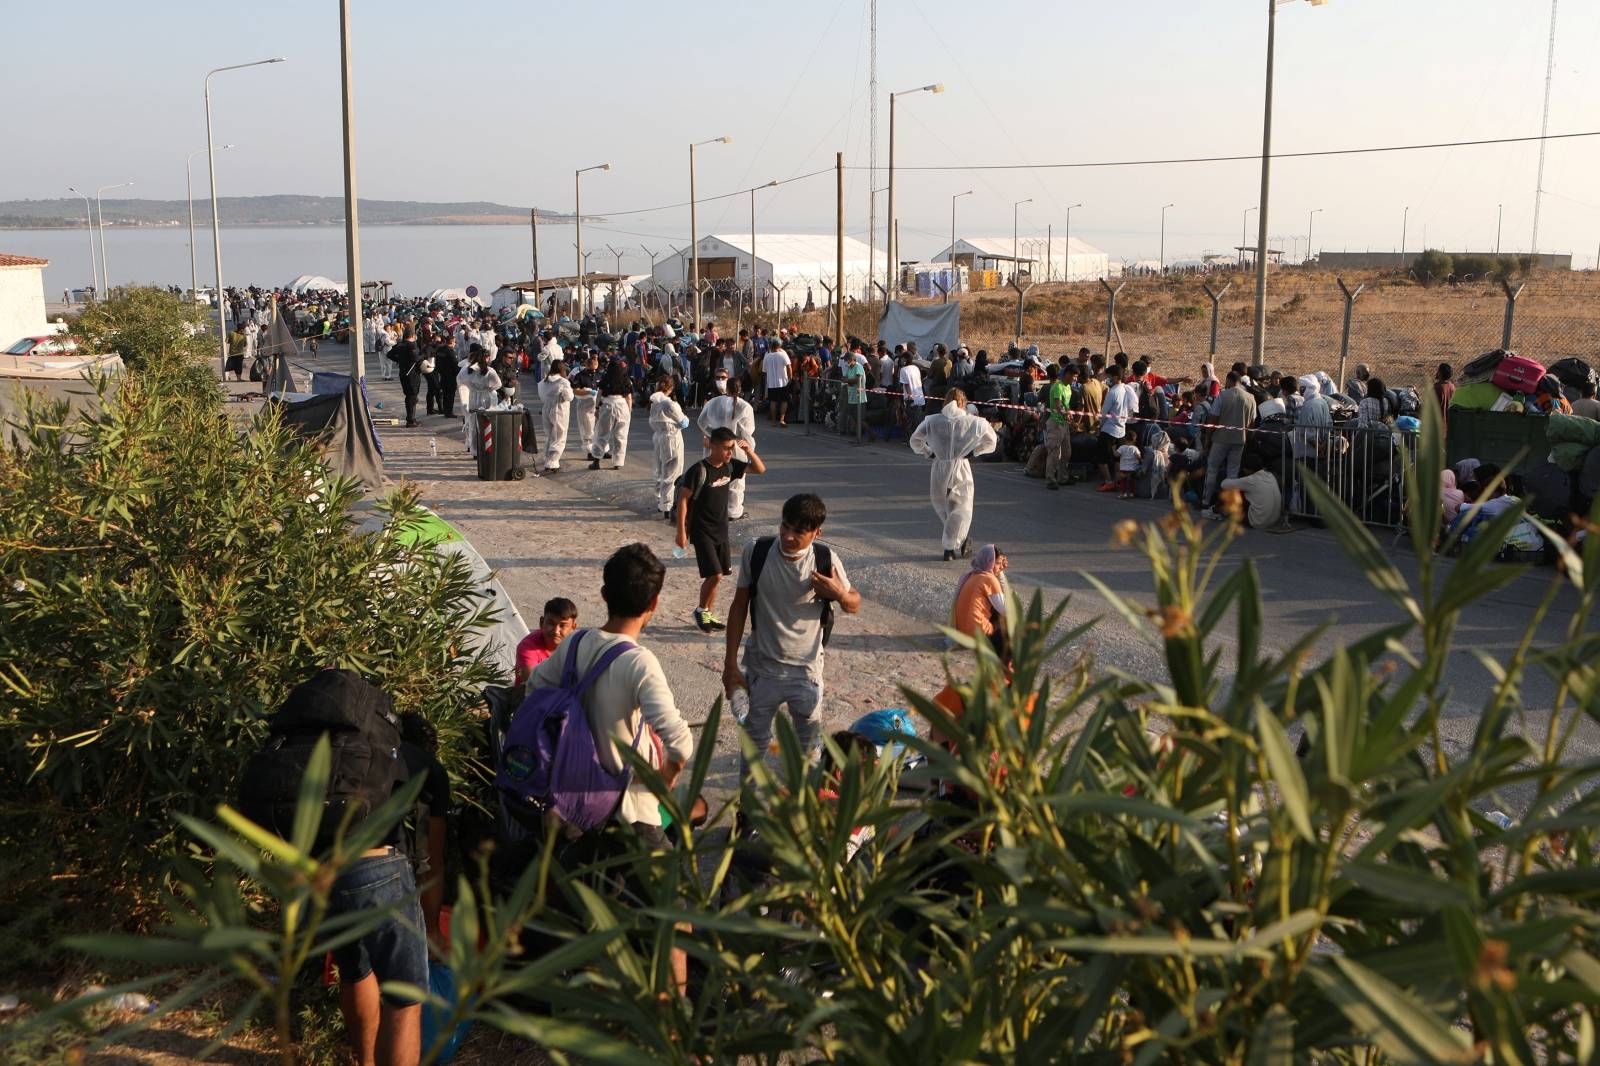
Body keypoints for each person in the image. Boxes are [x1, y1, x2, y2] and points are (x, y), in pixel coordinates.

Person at [524, 544, 695, 995]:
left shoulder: (577, 643)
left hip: (571, 805)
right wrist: (664, 780)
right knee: (676, 915)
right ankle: (673, 1024)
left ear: (603, 594)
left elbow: (536, 688)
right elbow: (680, 741)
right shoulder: (638, 662)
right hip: (626, 812)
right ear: (655, 604)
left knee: (588, 908)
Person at [722, 493, 860, 782]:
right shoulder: (757, 552)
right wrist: (730, 664)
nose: (788, 536)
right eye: (785, 527)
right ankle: (748, 813)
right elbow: (739, 607)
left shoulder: (825, 560)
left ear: (816, 533)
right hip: (762, 670)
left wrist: (838, 593)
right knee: (754, 747)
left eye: (798, 531)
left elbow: (853, 603)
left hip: (806, 675)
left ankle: (802, 812)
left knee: (808, 752)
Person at [675, 428, 767, 633]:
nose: (729, 453)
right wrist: (681, 532)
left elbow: (760, 469)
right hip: (702, 531)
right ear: (713, 446)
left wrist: (749, 451)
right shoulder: (698, 470)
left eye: (731, 449)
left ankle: (706, 611)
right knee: (714, 574)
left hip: (721, 531)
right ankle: (700, 610)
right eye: (726, 448)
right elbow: (683, 499)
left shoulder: (730, 467)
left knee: (718, 574)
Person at [909, 388, 999, 561]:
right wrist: (974, 452)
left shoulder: (932, 421)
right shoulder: (975, 422)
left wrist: (929, 452)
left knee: (943, 507)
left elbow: (915, 440)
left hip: (940, 467)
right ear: (963, 402)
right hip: (961, 467)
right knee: (961, 509)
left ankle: (952, 544)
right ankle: (953, 545)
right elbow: (992, 440)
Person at [697, 375, 758, 521]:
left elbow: (701, 422)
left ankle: (712, 508)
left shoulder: (713, 402)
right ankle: (734, 511)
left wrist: (711, 436)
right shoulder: (745, 407)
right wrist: (749, 450)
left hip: (716, 446)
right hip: (735, 447)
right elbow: (747, 433)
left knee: (713, 477)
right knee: (736, 481)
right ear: (740, 389)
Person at [1201, 372, 1258, 517]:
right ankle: (1227, 505)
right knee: (1232, 473)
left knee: (1212, 468)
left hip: (1221, 438)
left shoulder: (1223, 395)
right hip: (1239, 440)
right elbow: (1252, 423)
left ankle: (1206, 501)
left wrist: (1208, 438)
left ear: (1229, 380)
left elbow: (1214, 418)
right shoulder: (1250, 398)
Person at [949, 544, 1009, 660]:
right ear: (989, 562)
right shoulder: (989, 579)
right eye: (997, 563)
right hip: (976, 636)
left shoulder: (971, 576)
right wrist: (1001, 574)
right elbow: (1006, 610)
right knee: (1001, 613)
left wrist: (999, 570)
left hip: (961, 634)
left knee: (991, 603)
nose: (999, 567)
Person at [649, 373, 690, 519]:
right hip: (672, 438)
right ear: (671, 388)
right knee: (672, 471)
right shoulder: (669, 404)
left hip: (659, 437)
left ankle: (661, 500)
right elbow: (683, 422)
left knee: (660, 469)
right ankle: (667, 504)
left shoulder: (654, 401)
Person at [514, 597, 579, 685]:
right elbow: (533, 683)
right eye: (551, 623)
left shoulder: (579, 645)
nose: (556, 631)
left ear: (573, 628)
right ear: (542, 622)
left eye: (563, 625)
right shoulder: (527, 647)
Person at [1095, 366, 1136, 491]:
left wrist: (1099, 426)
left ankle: (1108, 481)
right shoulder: (1126, 389)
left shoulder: (1112, 392)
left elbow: (1104, 413)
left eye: (1110, 376)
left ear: (1116, 377)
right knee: (1117, 458)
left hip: (1109, 429)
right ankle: (1118, 481)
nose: (1108, 379)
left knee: (1101, 458)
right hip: (1121, 429)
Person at [589, 356, 633, 470]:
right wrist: (629, 411)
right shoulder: (625, 378)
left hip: (608, 405)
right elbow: (629, 397)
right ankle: (618, 462)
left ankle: (596, 461)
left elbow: (600, 393)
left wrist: (597, 407)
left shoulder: (606, 377)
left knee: (602, 434)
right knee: (621, 436)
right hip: (622, 405)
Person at [1219, 451, 1283, 528]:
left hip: (1256, 522)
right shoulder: (1270, 475)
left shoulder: (1251, 480)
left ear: (1248, 469)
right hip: (1273, 520)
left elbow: (1224, 484)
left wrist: (1233, 478)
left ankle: (1215, 510)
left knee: (1233, 491)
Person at [462, 345, 502, 454]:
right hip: (486, 398)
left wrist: (472, 387)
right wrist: (488, 388)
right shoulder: (489, 370)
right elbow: (498, 384)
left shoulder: (469, 369)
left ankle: (475, 451)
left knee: (474, 425)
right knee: (488, 423)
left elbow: (461, 379)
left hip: (473, 397)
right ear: (486, 358)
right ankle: (488, 448)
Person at [537, 359, 575, 474]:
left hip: (546, 408)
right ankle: (552, 463)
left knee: (550, 436)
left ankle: (547, 458)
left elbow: (541, 396)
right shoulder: (563, 382)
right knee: (559, 436)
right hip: (559, 409)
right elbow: (569, 397)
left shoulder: (544, 381)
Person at [1042, 363, 1073, 490]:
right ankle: (1050, 479)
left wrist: (1069, 412)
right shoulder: (1057, 387)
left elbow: (1066, 405)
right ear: (1067, 374)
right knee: (1054, 452)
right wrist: (1065, 413)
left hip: (1064, 423)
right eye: (1074, 376)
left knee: (1067, 452)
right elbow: (1058, 404)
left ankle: (1062, 477)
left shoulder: (1068, 387)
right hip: (1055, 423)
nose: (1075, 379)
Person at [387, 330, 426, 428]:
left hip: (403, 372)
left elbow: (389, 354)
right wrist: (424, 355)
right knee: (412, 397)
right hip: (412, 374)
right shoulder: (411, 345)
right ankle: (410, 420)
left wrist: (400, 360)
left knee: (410, 396)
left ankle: (411, 418)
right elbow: (415, 358)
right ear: (412, 336)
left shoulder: (400, 344)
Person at [571, 351, 601, 456]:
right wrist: (588, 392)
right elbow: (575, 390)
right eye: (594, 361)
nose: (596, 363)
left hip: (597, 406)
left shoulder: (599, 375)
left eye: (597, 361)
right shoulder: (580, 376)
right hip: (584, 406)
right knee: (587, 429)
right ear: (588, 364)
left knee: (598, 429)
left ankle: (600, 449)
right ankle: (589, 451)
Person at [763, 340, 793, 427]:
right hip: (783, 382)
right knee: (784, 401)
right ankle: (782, 419)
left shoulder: (767, 356)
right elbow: (789, 367)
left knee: (773, 402)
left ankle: (773, 421)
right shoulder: (783, 354)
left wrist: (767, 381)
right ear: (779, 346)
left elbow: (764, 371)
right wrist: (790, 378)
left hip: (771, 383)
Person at [898, 353, 926, 429]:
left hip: (911, 399)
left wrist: (910, 397)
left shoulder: (903, 370)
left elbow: (906, 384)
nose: (901, 360)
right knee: (918, 421)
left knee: (909, 421)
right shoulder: (916, 368)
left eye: (902, 358)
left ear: (905, 359)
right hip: (919, 397)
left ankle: (910, 439)